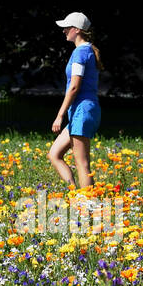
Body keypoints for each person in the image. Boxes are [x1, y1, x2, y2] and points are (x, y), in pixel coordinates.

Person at [48, 12, 102, 189]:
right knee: (54, 154)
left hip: (82, 111)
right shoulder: (86, 51)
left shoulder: (81, 53)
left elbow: (74, 87)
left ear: (77, 30)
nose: (64, 31)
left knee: (82, 163)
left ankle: (88, 203)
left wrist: (59, 115)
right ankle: (73, 191)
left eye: (67, 27)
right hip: (82, 111)